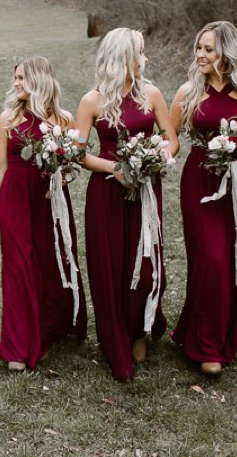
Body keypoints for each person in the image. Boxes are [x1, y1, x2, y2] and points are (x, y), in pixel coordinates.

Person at [76, 28, 179, 381]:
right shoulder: (92, 100)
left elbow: (172, 139)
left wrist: (155, 156)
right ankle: (115, 339)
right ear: (124, 57)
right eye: (141, 52)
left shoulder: (151, 94)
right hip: (106, 193)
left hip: (146, 192)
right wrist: (113, 167)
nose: (146, 59)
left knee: (148, 267)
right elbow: (76, 152)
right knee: (110, 267)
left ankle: (138, 328)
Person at [169, 21, 237, 375]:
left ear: (227, 52)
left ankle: (235, 328)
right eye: (198, 48)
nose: (200, 54)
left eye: (208, 49)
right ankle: (207, 344)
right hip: (200, 182)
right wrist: (147, 156)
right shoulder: (188, 93)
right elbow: (170, 137)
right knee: (210, 259)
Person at [0, 56, 88, 371]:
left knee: (49, 263)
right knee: (19, 267)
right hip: (16, 199)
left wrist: (61, 166)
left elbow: (74, 163)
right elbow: (2, 165)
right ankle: (18, 346)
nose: (16, 83)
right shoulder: (8, 118)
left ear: (40, 80)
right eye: (15, 78)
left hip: (50, 200)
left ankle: (50, 328)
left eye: (22, 78)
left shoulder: (63, 120)